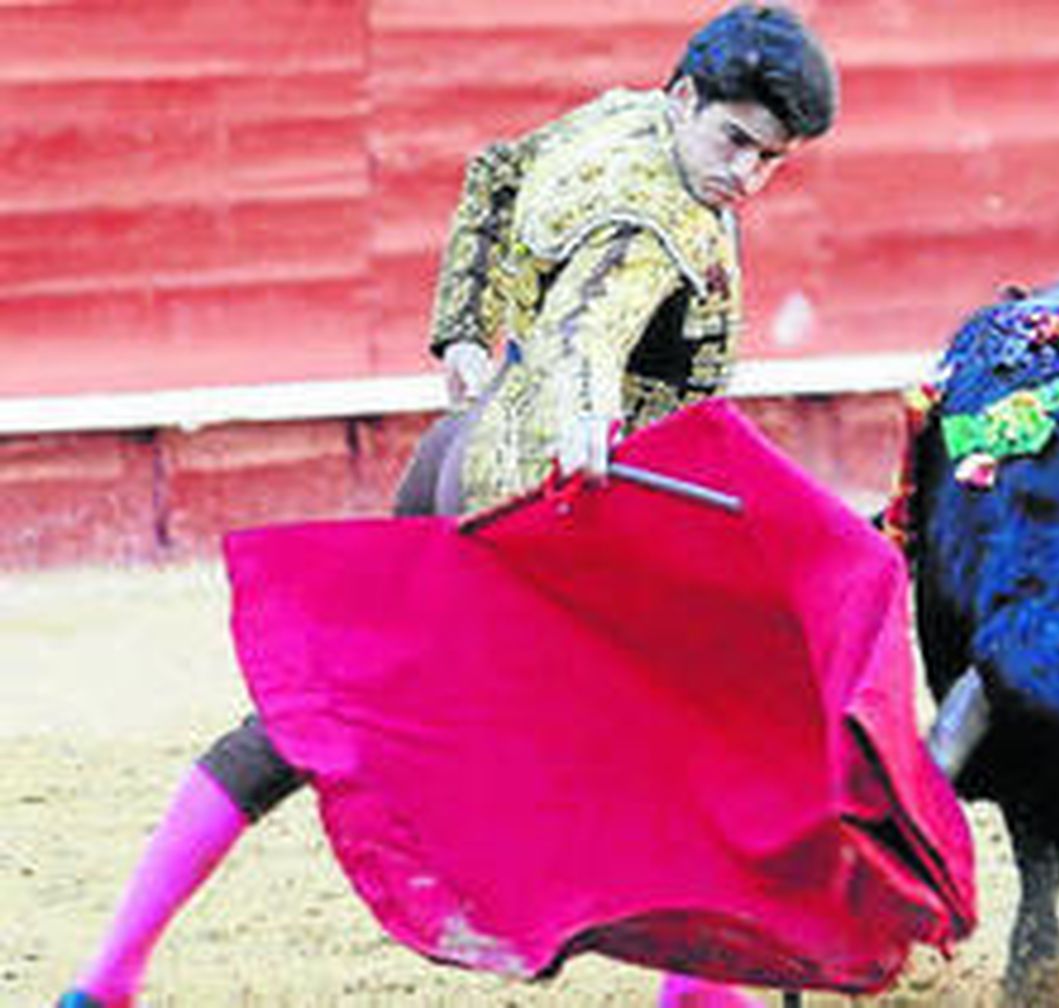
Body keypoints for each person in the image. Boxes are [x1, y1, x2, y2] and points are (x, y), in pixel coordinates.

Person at [57, 6, 837, 1006]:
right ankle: (698, 996)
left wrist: (466, 330)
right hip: (542, 514)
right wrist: (582, 411)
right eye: (735, 140)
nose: (745, 175)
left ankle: (106, 977)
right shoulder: (666, 225)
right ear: (685, 98)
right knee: (703, 739)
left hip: (455, 461)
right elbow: (587, 335)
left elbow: (495, 174)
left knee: (310, 720)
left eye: (772, 159)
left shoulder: (617, 120)